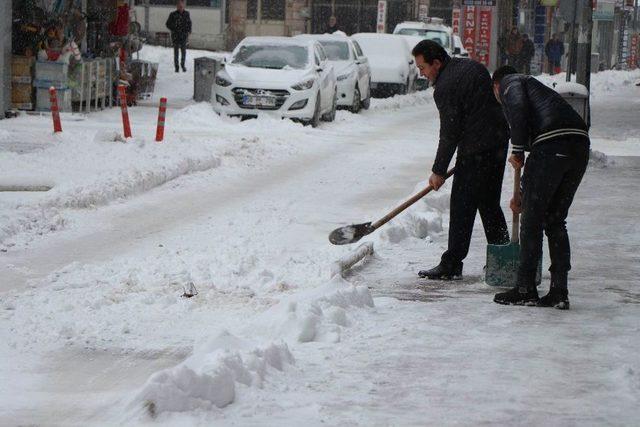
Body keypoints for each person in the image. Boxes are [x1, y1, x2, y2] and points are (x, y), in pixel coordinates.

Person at [491, 66, 590, 309]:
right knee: (555, 219)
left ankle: (525, 288)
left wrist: (516, 149)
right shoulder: (538, 92)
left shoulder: (511, 81)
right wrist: (523, 195)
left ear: (496, 85)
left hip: (553, 144)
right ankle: (559, 290)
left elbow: (518, 109)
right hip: (578, 145)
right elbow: (540, 170)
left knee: (533, 221)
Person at [411, 40, 510, 280]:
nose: (422, 74)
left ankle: (452, 263)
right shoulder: (471, 66)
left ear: (437, 63)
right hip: (497, 143)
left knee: (462, 206)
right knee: (488, 203)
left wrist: (438, 171)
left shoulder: (445, 86)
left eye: (423, 68)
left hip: (476, 149)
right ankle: (504, 260)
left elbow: (449, 133)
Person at [166, 0, 192, 72]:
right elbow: (168, 24)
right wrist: (174, 28)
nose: (180, 8)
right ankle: (176, 66)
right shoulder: (173, 14)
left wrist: (188, 31)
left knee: (183, 51)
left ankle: (183, 65)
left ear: (183, 6)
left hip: (183, 36)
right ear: (177, 7)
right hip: (176, 36)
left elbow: (189, 23)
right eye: (179, 6)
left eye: (181, 6)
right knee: (176, 52)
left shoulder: (186, 14)